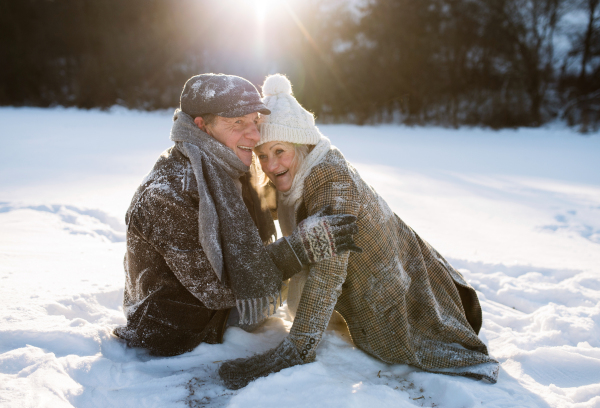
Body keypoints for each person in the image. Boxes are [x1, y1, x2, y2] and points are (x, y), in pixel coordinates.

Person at [218, 74, 499, 388]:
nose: (270, 165)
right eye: (263, 155)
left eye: (280, 151)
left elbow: (328, 271)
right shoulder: (296, 172)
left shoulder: (332, 184)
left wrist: (298, 348)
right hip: (392, 273)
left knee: (387, 339)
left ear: (303, 146)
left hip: (403, 299)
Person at [113, 74, 360, 357]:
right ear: (202, 126)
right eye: (238, 123)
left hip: (221, 316)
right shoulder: (168, 194)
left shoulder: (231, 169)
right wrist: (298, 250)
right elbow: (215, 290)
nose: (254, 136)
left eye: (255, 121)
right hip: (178, 331)